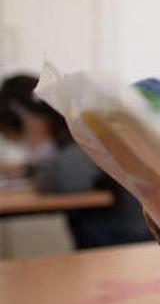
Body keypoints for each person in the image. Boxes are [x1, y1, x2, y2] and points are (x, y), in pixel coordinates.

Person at [0, 73, 151, 248]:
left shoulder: (82, 137)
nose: (20, 143)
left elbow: (59, 178)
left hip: (127, 243)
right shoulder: (77, 133)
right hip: (125, 239)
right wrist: (29, 169)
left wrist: (33, 168)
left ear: (29, 120)